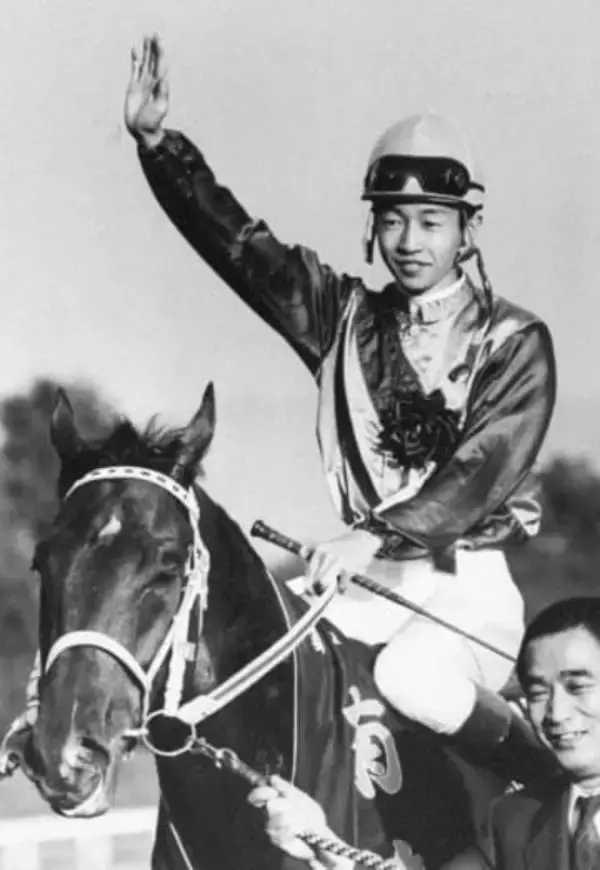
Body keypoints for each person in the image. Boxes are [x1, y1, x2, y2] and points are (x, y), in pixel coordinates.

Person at [123, 35, 557, 779]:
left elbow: (477, 472)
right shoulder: (339, 317)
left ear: (468, 229)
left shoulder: (516, 340)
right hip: (357, 585)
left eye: (431, 222)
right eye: (392, 220)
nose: (409, 241)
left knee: (410, 678)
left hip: (467, 589)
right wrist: (160, 148)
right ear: (372, 226)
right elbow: (242, 249)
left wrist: (373, 536)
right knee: (247, 657)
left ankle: (549, 787)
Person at [248, 596, 600, 870]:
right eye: (538, 693)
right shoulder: (513, 821)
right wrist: (327, 847)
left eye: (578, 687)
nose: (556, 713)